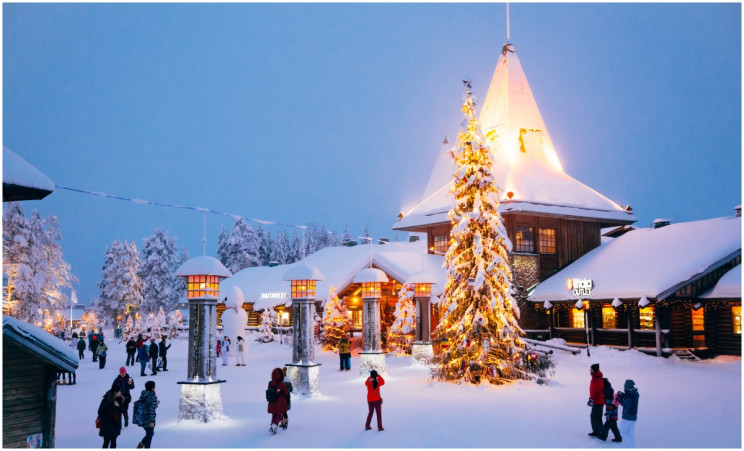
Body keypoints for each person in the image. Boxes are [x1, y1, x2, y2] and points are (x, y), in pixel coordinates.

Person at [98, 382, 125, 448]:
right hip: (106, 424)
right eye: (119, 391)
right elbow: (100, 411)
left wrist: (119, 406)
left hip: (115, 424)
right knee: (106, 441)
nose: (120, 393)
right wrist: (104, 420)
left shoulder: (120, 400)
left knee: (113, 441)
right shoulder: (105, 400)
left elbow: (123, 410)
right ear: (115, 393)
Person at [135, 380, 159, 448]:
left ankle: (141, 445)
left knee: (150, 434)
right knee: (150, 435)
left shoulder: (143, 394)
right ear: (152, 388)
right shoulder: (152, 396)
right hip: (149, 419)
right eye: (154, 387)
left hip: (142, 418)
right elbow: (151, 410)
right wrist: (152, 421)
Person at [598, 378, 622, 442]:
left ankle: (603, 437)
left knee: (606, 427)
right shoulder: (611, 394)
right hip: (614, 415)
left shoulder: (608, 397)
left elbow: (610, 407)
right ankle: (618, 438)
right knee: (614, 427)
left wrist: (608, 414)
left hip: (611, 416)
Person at [618, 379, 640, 448]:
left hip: (628, 416)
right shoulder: (635, 393)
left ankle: (631, 447)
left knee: (622, 432)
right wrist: (624, 395)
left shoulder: (629, 394)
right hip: (633, 416)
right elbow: (629, 401)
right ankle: (632, 447)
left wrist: (620, 398)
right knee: (630, 434)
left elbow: (624, 403)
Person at [267, 367, 289, 435]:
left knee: (274, 415)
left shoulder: (270, 383)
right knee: (279, 416)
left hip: (272, 402)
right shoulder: (281, 383)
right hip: (280, 403)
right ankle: (273, 428)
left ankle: (272, 427)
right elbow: (285, 393)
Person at [587, 363, 605, 437]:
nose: (590, 370)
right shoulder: (595, 377)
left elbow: (597, 390)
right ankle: (600, 431)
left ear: (594, 370)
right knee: (597, 416)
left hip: (598, 401)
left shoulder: (597, 378)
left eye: (591, 369)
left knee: (594, 416)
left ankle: (597, 431)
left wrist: (592, 399)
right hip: (597, 400)